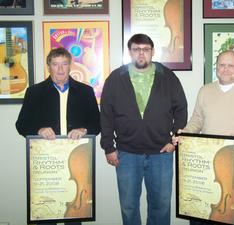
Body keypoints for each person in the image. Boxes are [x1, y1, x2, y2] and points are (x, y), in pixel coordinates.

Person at [173, 50, 234, 225]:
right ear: (216, 67)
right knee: (202, 211)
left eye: (231, 65)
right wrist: (185, 134)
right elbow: (197, 120)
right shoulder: (205, 91)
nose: (226, 69)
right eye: (222, 65)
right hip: (207, 161)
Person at [100, 33, 187, 225]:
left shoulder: (168, 77)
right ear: (129, 52)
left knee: (161, 205)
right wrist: (108, 147)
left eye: (146, 49)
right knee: (128, 206)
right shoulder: (116, 78)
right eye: (136, 49)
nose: (141, 54)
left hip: (161, 153)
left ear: (152, 51)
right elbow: (105, 114)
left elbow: (181, 110)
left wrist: (174, 141)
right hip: (126, 153)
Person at [16, 47, 101, 225]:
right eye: (55, 64)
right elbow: (21, 125)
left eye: (64, 64)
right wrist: (38, 130)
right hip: (47, 162)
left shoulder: (85, 92)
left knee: (74, 216)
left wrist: (84, 130)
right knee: (46, 216)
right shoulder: (34, 92)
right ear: (49, 67)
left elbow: (97, 123)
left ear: (70, 66)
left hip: (77, 161)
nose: (60, 69)